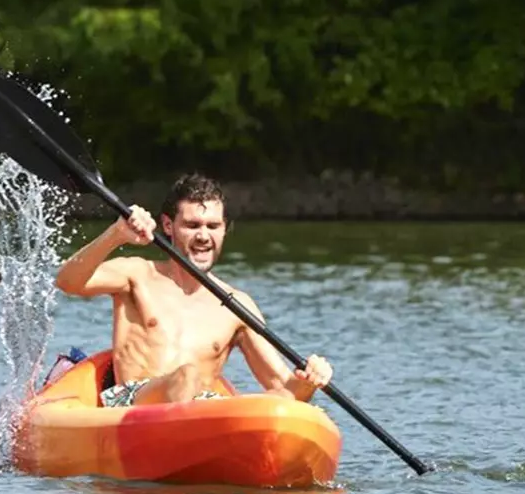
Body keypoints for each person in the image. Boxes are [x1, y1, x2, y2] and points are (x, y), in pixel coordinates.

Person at [53, 172, 332, 407]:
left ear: (224, 230)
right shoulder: (137, 274)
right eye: (192, 225)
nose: (203, 236)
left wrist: (309, 381)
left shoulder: (237, 305)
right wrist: (117, 234)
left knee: (275, 399)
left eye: (213, 226)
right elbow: (67, 281)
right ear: (167, 226)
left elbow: (283, 387)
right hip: (131, 404)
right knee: (187, 374)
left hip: (200, 408)